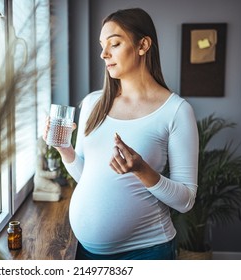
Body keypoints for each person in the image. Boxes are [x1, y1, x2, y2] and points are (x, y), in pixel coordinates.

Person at [43, 7, 198, 260]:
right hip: (86, 252)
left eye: (114, 44)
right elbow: (87, 177)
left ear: (143, 45)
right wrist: (64, 149)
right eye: (102, 45)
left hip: (146, 252)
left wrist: (142, 170)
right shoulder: (94, 103)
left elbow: (186, 201)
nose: (104, 54)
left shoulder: (176, 111)